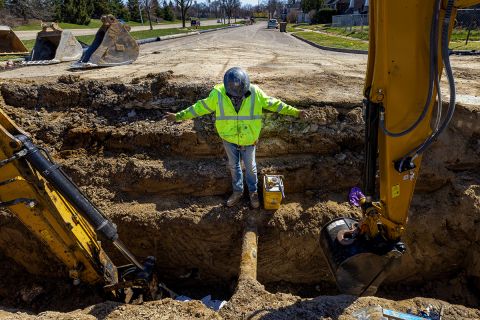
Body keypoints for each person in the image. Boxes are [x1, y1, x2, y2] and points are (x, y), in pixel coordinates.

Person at [164, 67, 306, 208]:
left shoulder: (255, 93)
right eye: (234, 94)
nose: (237, 96)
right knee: (234, 165)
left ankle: (253, 192)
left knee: (250, 167)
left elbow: (275, 104)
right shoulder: (218, 94)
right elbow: (199, 108)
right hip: (229, 138)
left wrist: (296, 112)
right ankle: (237, 192)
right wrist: (178, 116)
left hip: (249, 139)